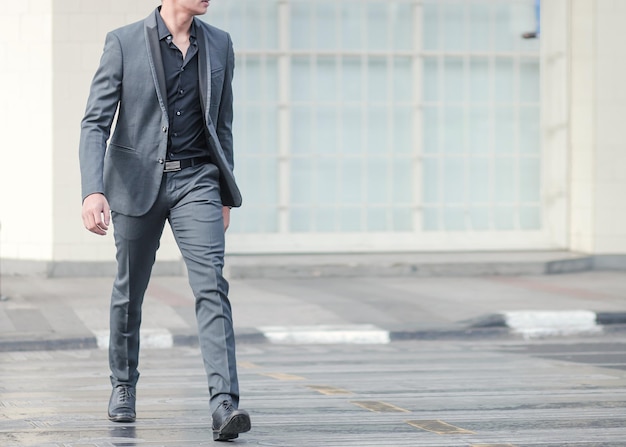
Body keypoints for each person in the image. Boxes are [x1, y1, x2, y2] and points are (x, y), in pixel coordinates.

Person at [79, 0, 250, 441]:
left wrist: (226, 193)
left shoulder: (219, 44)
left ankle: (224, 403)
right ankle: (122, 385)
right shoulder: (122, 43)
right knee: (129, 290)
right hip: (136, 183)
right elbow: (95, 123)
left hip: (198, 181)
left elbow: (222, 123)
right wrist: (93, 190)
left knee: (212, 284)